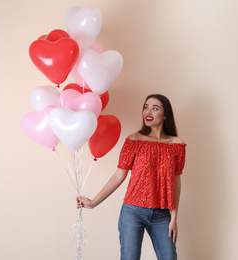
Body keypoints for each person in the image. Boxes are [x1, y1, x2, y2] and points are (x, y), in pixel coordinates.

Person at [77, 94, 186, 260]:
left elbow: (176, 181)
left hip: (162, 214)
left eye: (155, 108)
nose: (148, 111)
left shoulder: (177, 144)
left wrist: (174, 217)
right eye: (146, 107)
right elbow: (119, 176)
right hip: (133, 212)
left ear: (165, 115)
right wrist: (93, 202)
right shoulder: (134, 140)